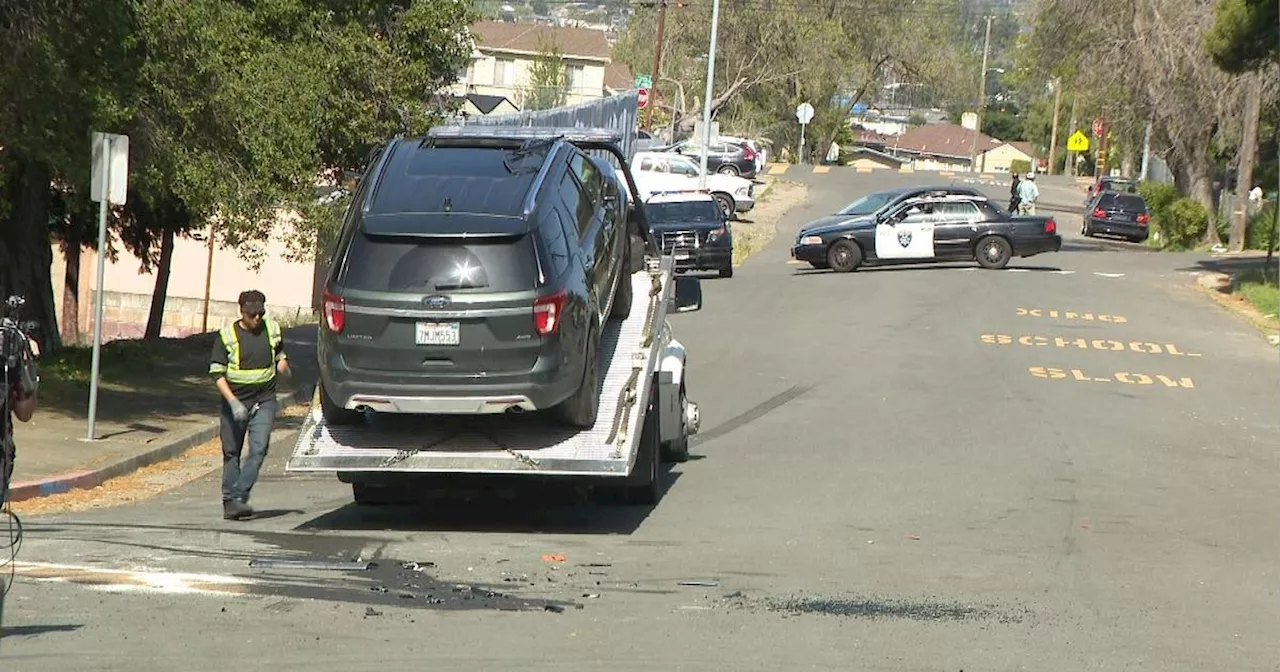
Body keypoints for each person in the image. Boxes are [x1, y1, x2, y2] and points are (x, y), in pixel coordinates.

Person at [209, 290, 288, 520]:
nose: (256, 318)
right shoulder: (227, 336)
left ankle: (238, 496)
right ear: (241, 311)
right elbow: (216, 373)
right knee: (231, 452)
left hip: (264, 399)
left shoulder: (271, 329)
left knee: (259, 449)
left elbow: (280, 354)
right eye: (252, 314)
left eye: (260, 313)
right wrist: (233, 402)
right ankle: (230, 502)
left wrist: (284, 366)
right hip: (235, 400)